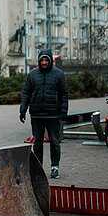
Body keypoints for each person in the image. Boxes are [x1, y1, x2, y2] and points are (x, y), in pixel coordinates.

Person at [19, 49, 69, 179]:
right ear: (39, 61)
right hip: (36, 115)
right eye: (42, 60)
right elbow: (26, 93)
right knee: (37, 143)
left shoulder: (58, 74)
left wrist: (64, 111)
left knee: (54, 142)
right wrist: (22, 110)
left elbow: (64, 94)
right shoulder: (32, 75)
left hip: (53, 114)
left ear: (51, 60)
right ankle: (38, 168)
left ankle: (54, 167)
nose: (45, 62)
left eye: (47, 60)